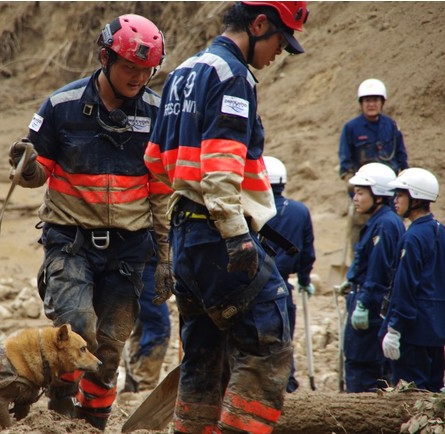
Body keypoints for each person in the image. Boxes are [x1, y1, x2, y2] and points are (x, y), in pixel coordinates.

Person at [144, 2, 308, 433]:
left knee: (204, 356)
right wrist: (236, 236)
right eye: (278, 42)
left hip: (186, 240)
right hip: (220, 234)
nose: (277, 54)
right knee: (267, 342)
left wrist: (168, 247)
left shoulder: (182, 72)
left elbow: (155, 160)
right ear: (258, 25)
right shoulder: (232, 76)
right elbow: (220, 165)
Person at [7, 14, 172, 430]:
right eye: (129, 67)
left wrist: (165, 258)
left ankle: (93, 423)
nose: (138, 77)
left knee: (108, 352)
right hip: (71, 242)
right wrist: (25, 167)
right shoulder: (61, 107)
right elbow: (36, 172)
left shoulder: (157, 114)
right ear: (105, 58)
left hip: (129, 250)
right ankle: (60, 416)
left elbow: (161, 193)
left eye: (146, 69)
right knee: (77, 331)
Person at [381, 168, 445, 392]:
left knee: (411, 398)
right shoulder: (442, 232)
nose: (395, 200)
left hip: (414, 332)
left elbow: (405, 286)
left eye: (400, 195)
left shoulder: (413, 237)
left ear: (416, 198)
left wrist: (395, 329)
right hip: (436, 332)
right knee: (433, 396)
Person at [339, 162, 405, 393]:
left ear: (378, 195)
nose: (355, 198)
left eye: (360, 193)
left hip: (372, 308)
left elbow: (379, 271)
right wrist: (352, 278)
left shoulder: (385, 225)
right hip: (368, 300)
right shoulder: (380, 221)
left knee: (362, 366)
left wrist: (364, 303)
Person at [338, 78, 408, 258]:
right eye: (367, 100)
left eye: (375, 100)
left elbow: (401, 157)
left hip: (389, 192)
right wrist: (353, 189)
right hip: (364, 190)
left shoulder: (391, 126)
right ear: (361, 103)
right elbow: (345, 164)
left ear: (382, 102)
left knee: (391, 231)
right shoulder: (351, 128)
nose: (371, 104)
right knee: (360, 235)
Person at [263, 156, 316, 393]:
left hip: (251, 289)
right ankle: (287, 387)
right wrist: (304, 279)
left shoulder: (248, 209)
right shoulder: (299, 211)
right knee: (283, 342)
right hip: (282, 290)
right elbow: (307, 253)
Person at [121, 235, 171, 394]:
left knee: (143, 323)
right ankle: (144, 386)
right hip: (144, 253)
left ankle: (135, 381)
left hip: (144, 252)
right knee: (158, 325)